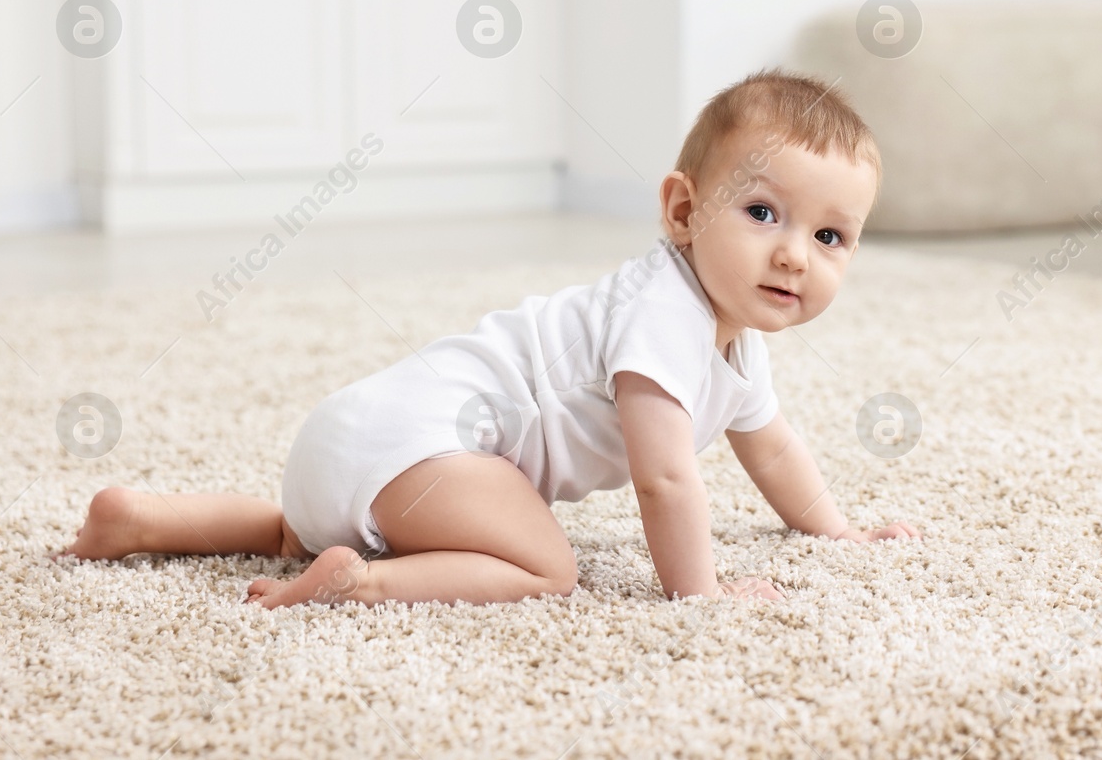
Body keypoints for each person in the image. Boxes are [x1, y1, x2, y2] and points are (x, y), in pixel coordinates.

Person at [56, 66, 921, 606]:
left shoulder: (736, 346)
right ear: (684, 210)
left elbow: (771, 449)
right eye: (763, 211)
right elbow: (664, 477)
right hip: (420, 448)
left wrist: (833, 530)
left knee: (303, 524)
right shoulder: (663, 313)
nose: (793, 255)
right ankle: (368, 581)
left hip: (357, 439)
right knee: (550, 566)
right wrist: (703, 590)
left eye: (829, 236)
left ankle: (142, 519)